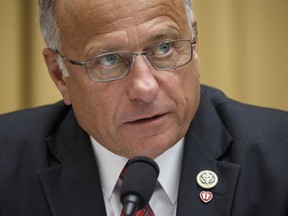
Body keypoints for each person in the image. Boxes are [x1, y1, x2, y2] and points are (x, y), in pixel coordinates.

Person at [0, 0, 287, 215]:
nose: (145, 88)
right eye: (109, 59)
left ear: (195, 46)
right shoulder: (7, 164)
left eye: (164, 48)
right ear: (59, 75)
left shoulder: (280, 155)